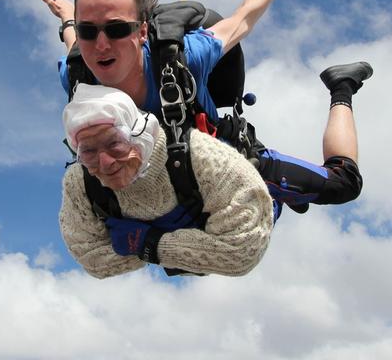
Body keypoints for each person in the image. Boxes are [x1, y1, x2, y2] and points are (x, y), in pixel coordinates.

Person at [40, 0, 369, 215]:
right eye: (88, 31)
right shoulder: (78, 75)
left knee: (344, 185)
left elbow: (242, 19)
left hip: (226, 162)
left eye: (115, 30)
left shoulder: (184, 58)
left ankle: (341, 87)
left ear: (141, 32)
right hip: (152, 183)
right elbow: (73, 41)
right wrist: (67, 18)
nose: (100, 45)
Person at [58, 83, 273, 277]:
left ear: (140, 135)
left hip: (251, 196)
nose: (105, 163)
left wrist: (148, 244)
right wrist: (194, 246)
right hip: (205, 224)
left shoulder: (202, 156)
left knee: (286, 185)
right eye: (87, 151)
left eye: (114, 143)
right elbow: (92, 260)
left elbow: (243, 251)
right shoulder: (80, 183)